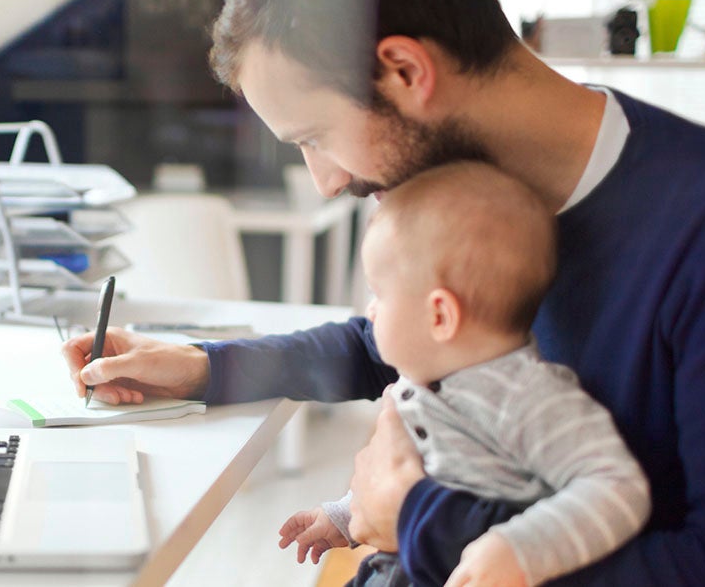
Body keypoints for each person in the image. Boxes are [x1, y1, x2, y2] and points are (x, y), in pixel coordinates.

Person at [61, 0, 705, 583]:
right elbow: (380, 343)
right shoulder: (482, 202)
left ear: (403, 69)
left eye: (313, 136)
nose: (327, 181)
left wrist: (412, 513)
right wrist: (202, 367)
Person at [276, 162, 650, 587]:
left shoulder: (527, 396)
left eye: (379, 294)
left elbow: (618, 486)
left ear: (440, 315)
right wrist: (343, 515)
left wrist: (518, 550)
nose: (371, 312)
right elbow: (404, 477)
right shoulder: (426, 380)